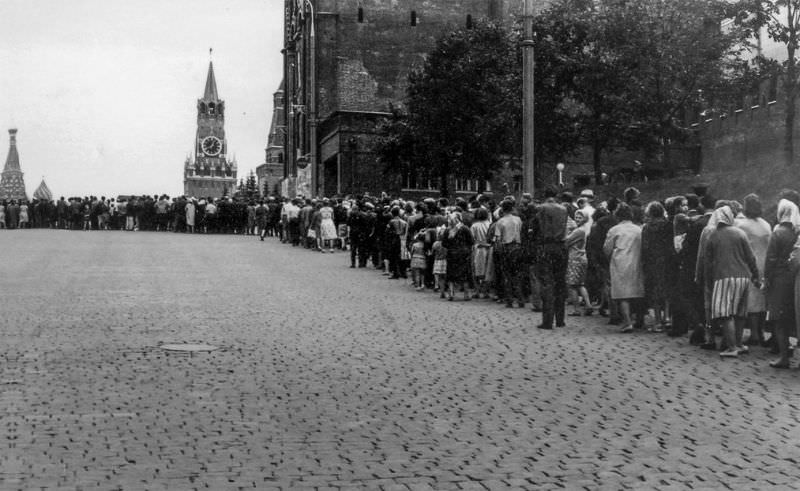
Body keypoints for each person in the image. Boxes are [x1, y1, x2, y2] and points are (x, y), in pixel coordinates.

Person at [701, 205, 760, 358]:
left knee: (725, 313)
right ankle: (739, 344)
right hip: (743, 276)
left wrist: (708, 282)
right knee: (740, 313)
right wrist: (755, 274)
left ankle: (732, 346)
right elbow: (751, 257)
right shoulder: (740, 233)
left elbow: (708, 263)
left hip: (722, 277)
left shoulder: (712, 236)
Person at [764, 199, 800, 368]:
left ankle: (784, 357)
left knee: (780, 320)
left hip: (779, 278)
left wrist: (767, 277)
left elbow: (770, 258)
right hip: (795, 278)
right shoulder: (797, 231)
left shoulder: (778, 232)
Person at [734, 194, 771, 346]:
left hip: (750, 264)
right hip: (765, 263)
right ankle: (761, 331)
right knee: (762, 299)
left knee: (752, 300)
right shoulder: (766, 224)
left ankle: (754, 333)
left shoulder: (741, 225)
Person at [604, 203, 645, 333]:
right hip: (636, 261)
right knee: (637, 292)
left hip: (620, 262)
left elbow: (607, 249)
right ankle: (639, 319)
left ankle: (627, 321)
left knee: (623, 294)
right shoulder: (638, 229)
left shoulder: (614, 230)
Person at [535, 186, 568, 330]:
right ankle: (560, 319)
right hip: (561, 247)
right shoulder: (564, 209)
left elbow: (538, 228)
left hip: (546, 246)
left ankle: (547, 320)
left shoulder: (541, 208)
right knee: (560, 282)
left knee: (547, 283)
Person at [641, 201, 675, 332]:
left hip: (652, 262)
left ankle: (658, 321)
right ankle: (667, 317)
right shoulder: (669, 225)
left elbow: (645, 247)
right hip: (667, 260)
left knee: (655, 291)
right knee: (666, 289)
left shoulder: (647, 228)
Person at [494, 200, 524, 308]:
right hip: (517, 247)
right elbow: (522, 232)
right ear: (512, 209)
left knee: (507, 275)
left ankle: (509, 300)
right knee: (518, 274)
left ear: (502, 209)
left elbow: (497, 239)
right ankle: (520, 299)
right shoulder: (518, 219)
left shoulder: (500, 222)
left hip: (506, 248)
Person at [566, 209, 593, 316]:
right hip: (582, 258)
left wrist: (567, 230)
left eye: (580, 217)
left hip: (574, 259)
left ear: (585, 219)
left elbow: (566, 241)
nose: (577, 219)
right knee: (580, 284)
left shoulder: (578, 231)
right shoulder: (583, 229)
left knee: (571, 285)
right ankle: (588, 305)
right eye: (576, 217)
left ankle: (576, 309)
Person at [442, 211, 474, 301]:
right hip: (464, 254)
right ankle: (466, 294)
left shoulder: (447, 230)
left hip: (451, 254)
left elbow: (444, 244)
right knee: (465, 274)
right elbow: (472, 241)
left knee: (451, 274)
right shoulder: (465, 228)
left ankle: (451, 293)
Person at [470, 208, 493, 299]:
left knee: (476, 270)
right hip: (488, 249)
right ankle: (486, 291)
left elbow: (472, 239)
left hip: (478, 249)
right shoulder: (490, 225)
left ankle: (477, 290)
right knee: (487, 270)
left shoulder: (474, 226)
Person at [432, 227, 448, 298]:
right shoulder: (447, 244)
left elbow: (432, 251)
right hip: (445, 260)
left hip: (438, 260)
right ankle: (446, 289)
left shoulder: (436, 244)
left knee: (439, 276)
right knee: (445, 276)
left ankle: (440, 289)